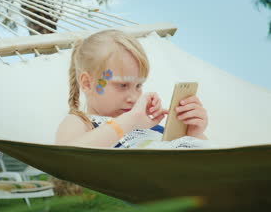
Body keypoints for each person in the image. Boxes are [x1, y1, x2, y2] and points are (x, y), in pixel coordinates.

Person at [55, 30, 208, 148]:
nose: (134, 98)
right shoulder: (80, 122)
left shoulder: (150, 128)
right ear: (88, 84)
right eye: (122, 85)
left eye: (138, 86)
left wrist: (194, 134)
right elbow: (66, 156)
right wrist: (129, 121)